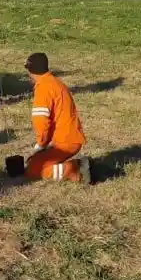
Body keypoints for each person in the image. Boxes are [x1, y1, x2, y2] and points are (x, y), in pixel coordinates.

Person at [22, 52, 89, 183]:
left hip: (65, 141)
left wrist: (40, 145)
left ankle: (75, 170)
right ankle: (75, 166)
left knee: (33, 169)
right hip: (68, 137)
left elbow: (41, 122)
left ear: (30, 71)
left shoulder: (43, 88)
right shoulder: (54, 82)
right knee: (35, 162)